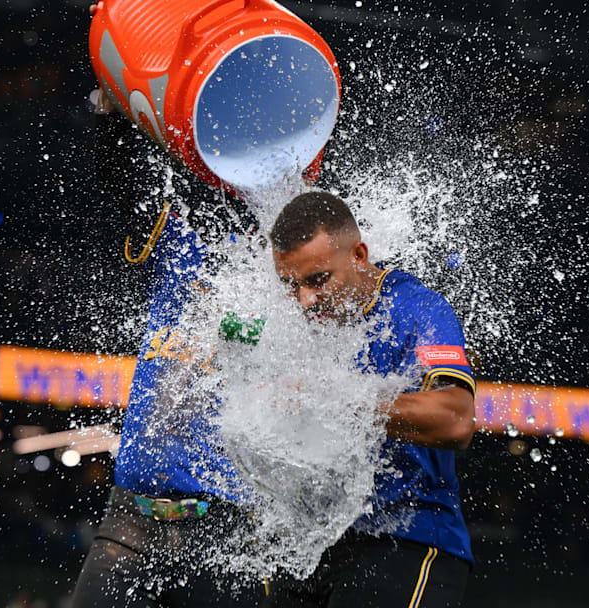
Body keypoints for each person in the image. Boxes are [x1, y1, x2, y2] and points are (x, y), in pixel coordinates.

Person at [264, 191, 477, 607]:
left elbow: (456, 419)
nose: (305, 300)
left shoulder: (416, 308)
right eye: (291, 285)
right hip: (312, 541)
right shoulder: (290, 319)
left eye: (318, 279)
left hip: (409, 540)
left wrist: (339, 402)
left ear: (359, 256)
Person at [72, 201, 262, 608]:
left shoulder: (287, 267)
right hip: (130, 517)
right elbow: (124, 185)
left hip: (225, 533)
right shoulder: (179, 233)